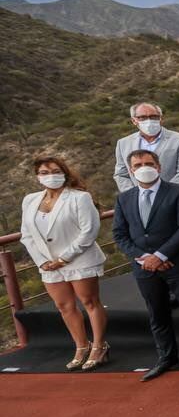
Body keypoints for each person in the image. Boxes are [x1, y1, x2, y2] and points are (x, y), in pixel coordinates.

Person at [111, 149, 179, 381]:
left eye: (148, 163)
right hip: (145, 268)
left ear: (158, 167)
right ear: (130, 170)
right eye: (137, 165)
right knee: (157, 314)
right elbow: (120, 235)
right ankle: (167, 357)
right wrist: (145, 258)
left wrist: (160, 255)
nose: (143, 167)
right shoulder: (124, 199)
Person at [19, 156, 108, 370]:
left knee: (89, 302)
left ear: (65, 174)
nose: (51, 176)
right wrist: (42, 262)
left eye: (55, 171)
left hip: (79, 259)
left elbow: (89, 231)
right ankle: (81, 346)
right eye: (45, 172)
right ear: (37, 177)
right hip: (48, 265)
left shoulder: (80, 198)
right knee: (64, 306)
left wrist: (64, 258)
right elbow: (26, 235)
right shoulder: (29, 200)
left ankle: (99, 346)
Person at [112, 102, 179, 193]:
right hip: (140, 203)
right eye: (143, 117)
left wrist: (161, 195)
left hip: (175, 200)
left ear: (161, 118)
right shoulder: (123, 143)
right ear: (134, 121)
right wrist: (135, 195)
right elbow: (121, 175)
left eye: (153, 116)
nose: (149, 121)